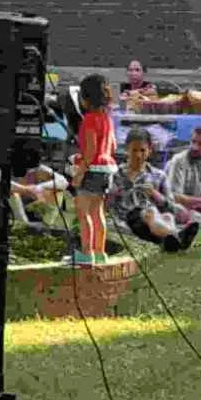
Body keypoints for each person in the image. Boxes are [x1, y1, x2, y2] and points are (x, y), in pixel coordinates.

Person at [110, 128, 201, 252]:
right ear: (127, 150)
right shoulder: (116, 175)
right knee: (151, 212)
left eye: (142, 150)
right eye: (134, 150)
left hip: (153, 222)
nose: (138, 155)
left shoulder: (159, 175)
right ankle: (177, 236)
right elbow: (106, 206)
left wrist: (156, 195)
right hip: (129, 219)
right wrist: (115, 193)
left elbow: (171, 208)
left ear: (149, 150)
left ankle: (171, 241)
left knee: (168, 216)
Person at [70, 74, 116, 265]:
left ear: (85, 98)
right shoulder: (107, 119)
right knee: (98, 212)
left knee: (83, 213)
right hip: (107, 170)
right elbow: (112, 147)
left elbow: (89, 152)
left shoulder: (89, 120)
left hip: (92, 170)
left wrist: (78, 175)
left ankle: (86, 253)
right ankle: (100, 252)